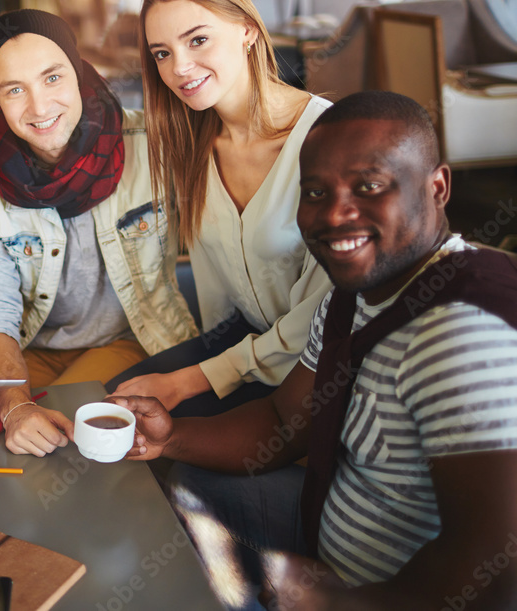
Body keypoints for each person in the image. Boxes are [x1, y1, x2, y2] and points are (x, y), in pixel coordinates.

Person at [112, 91, 517, 609]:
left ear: (437, 187)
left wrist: (336, 600)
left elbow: (495, 569)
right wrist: (169, 437)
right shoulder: (352, 296)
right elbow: (284, 423)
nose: (336, 215)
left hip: (395, 593)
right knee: (192, 483)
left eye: (369, 187)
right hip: (325, 530)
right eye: (316, 193)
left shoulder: (461, 333)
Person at [0, 9, 199, 456]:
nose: (38, 107)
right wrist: (14, 405)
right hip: (34, 343)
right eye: (15, 90)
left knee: (57, 440)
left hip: (128, 339)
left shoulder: (152, 143)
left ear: (78, 71)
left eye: (52, 78)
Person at [109, 0, 332, 418]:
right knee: (116, 406)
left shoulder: (327, 138)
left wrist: (193, 381)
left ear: (247, 30)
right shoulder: (191, 143)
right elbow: (216, 299)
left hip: (321, 366)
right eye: (162, 53)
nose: (180, 68)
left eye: (197, 39)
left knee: (164, 442)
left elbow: (321, 320)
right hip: (241, 351)